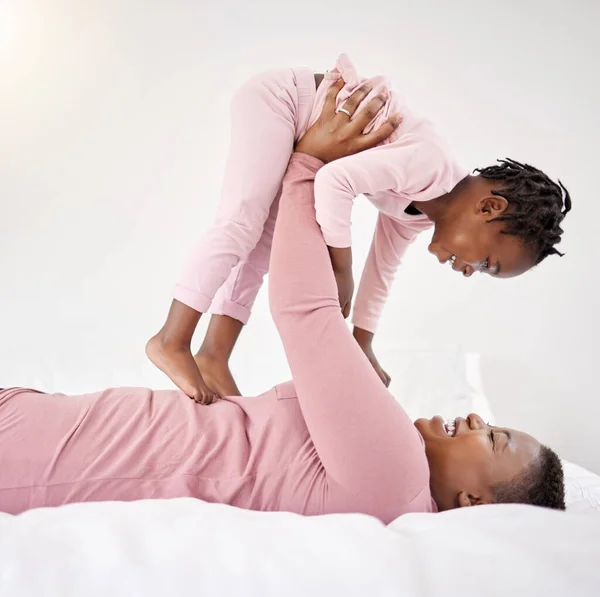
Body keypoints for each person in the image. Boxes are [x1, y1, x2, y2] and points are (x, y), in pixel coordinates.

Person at [0, 86, 565, 518]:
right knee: (247, 230)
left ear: (472, 501)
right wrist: (363, 337)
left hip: (46, 449)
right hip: (52, 429)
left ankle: (181, 339)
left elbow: (306, 311)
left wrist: (307, 164)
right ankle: (203, 347)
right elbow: (371, 279)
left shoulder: (395, 474)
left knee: (245, 224)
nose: (474, 417)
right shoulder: (390, 471)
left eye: (493, 436)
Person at [146, 54, 572, 404]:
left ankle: (214, 355)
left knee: (260, 248)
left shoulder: (421, 215)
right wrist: (340, 267)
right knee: (240, 223)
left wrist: (364, 340)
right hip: (283, 102)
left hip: (304, 136)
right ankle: (171, 338)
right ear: (489, 207)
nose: (468, 270)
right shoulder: (429, 162)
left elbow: (382, 273)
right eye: (486, 263)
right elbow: (336, 182)